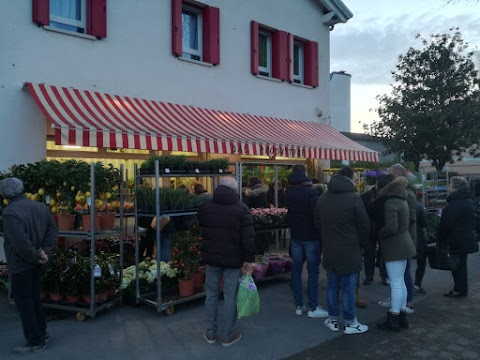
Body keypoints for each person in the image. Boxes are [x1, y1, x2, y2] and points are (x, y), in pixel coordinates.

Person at [0, 177, 57, 353]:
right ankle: (42, 333)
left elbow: (20, 244)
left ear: (5, 194)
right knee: (34, 300)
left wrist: (35, 257)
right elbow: (52, 231)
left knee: (25, 303)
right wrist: (45, 253)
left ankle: (35, 341)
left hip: (21, 264)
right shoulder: (40, 207)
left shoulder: (10, 213)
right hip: (37, 262)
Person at [197, 177, 255, 347]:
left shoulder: (206, 207)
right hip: (233, 259)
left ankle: (210, 333)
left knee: (212, 294)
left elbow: (201, 225)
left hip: (212, 257)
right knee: (230, 296)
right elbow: (248, 238)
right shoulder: (241, 209)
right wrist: (248, 260)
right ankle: (228, 335)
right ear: (235, 190)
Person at [315, 166, 370, 334]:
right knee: (348, 287)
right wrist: (361, 243)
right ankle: (350, 322)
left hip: (330, 249)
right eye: (355, 179)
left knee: (332, 285)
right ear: (348, 179)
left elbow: (317, 223)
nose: (356, 182)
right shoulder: (354, 198)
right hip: (350, 249)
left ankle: (332, 319)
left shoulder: (323, 198)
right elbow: (364, 226)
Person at [374, 174, 416, 331]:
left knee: (396, 283)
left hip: (395, 246)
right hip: (404, 244)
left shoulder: (390, 202)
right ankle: (401, 314)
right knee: (401, 282)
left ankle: (394, 317)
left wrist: (378, 234)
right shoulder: (402, 199)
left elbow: (391, 227)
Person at [285, 165, 327, 318]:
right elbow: (316, 215)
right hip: (311, 236)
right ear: (305, 173)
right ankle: (313, 306)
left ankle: (298, 305)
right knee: (313, 271)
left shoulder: (288, 191)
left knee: (296, 270)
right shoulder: (311, 192)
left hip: (296, 235)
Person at [440, 176, 479, 298]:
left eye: (450, 185)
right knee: (462, 264)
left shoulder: (453, 203)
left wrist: (440, 240)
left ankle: (459, 289)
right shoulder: (468, 201)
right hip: (466, 237)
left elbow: (446, 224)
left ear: (455, 188)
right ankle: (462, 288)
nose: (449, 188)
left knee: (456, 266)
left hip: (455, 239)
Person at [360, 181, 388, 286]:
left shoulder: (385, 196)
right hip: (371, 229)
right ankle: (370, 276)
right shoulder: (366, 196)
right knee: (369, 254)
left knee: (382, 254)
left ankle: (382, 276)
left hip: (380, 228)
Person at [414, 192, 428, 294]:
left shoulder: (405, 205)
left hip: (407, 238)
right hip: (418, 238)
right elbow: (424, 224)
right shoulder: (419, 208)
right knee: (421, 262)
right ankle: (417, 284)